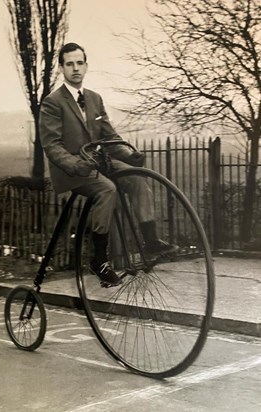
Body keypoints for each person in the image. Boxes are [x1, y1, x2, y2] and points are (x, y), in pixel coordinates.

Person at [39, 42, 177, 286]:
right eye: (69, 64)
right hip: (72, 171)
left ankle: (151, 239)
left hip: (99, 163)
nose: (75, 69)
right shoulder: (53, 102)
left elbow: (109, 137)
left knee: (137, 176)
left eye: (79, 63)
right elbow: (52, 146)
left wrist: (126, 155)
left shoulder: (94, 99)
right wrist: (75, 164)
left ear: (86, 66)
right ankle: (99, 260)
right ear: (62, 68)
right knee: (107, 189)